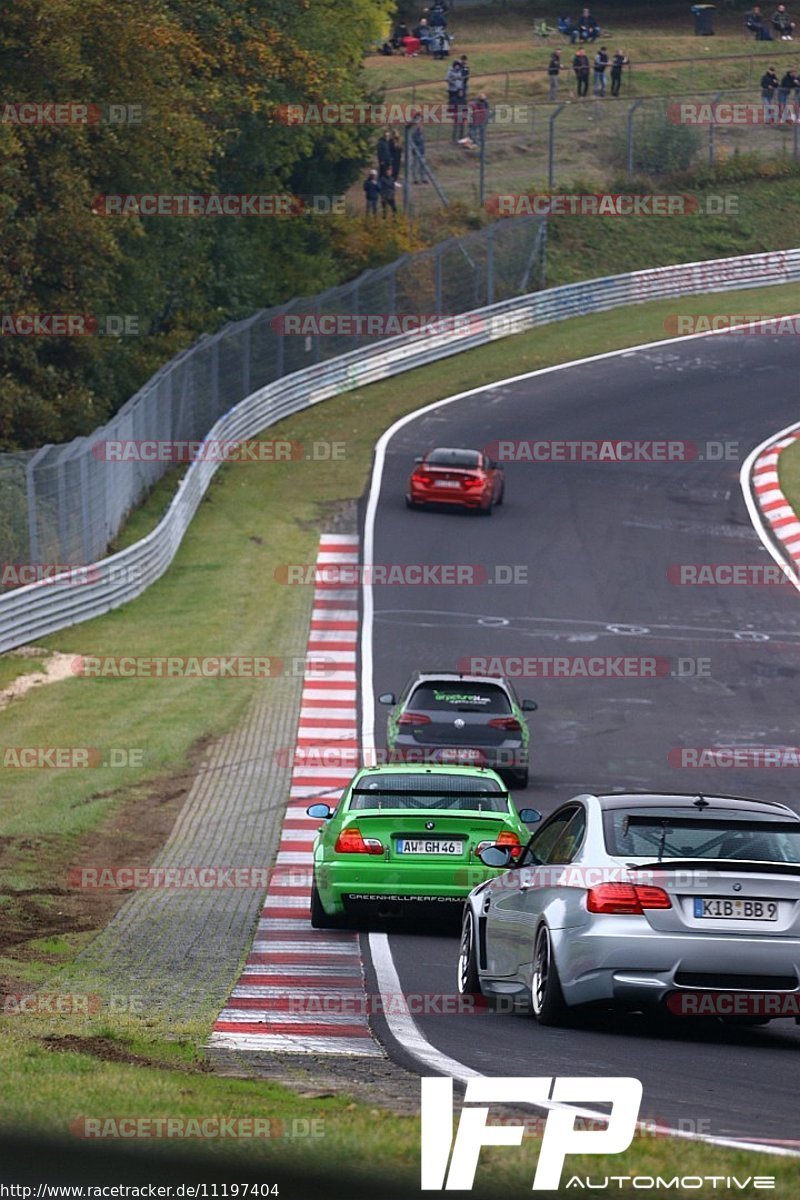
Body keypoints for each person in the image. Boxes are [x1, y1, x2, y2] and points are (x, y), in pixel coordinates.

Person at [409, 114, 427, 182]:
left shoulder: (422, 131)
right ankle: (415, 178)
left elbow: (423, 141)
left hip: (422, 150)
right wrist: (414, 150)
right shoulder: (414, 132)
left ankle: (423, 178)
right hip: (416, 151)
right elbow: (413, 141)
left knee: (423, 165)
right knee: (415, 165)